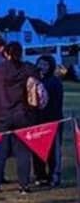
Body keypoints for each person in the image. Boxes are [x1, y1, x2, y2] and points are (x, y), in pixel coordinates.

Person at [0, 42, 38, 195]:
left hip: (2, 115)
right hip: (23, 115)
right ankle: (24, 185)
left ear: (6, 53)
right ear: (21, 53)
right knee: (23, 152)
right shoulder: (28, 68)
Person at [32, 55, 64, 188]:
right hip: (37, 121)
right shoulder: (34, 80)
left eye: (45, 64)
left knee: (53, 151)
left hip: (53, 121)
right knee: (37, 150)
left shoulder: (55, 81)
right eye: (40, 64)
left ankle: (54, 176)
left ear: (50, 66)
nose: (42, 67)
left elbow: (57, 103)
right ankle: (40, 176)